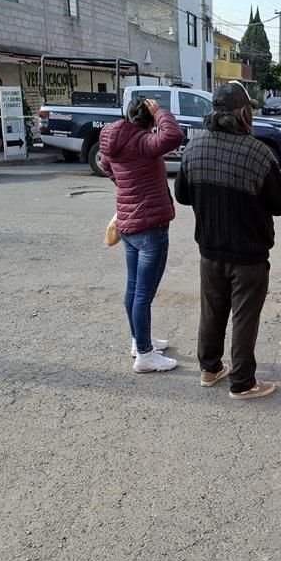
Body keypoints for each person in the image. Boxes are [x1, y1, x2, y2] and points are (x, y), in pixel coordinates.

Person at [175, 82, 281, 400]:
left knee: (212, 311)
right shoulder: (258, 153)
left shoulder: (194, 148)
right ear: (244, 113)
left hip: (210, 252)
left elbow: (182, 195)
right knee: (244, 317)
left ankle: (210, 368)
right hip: (249, 257)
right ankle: (242, 382)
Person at [100, 97, 184, 373]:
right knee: (142, 294)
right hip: (150, 227)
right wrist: (160, 112)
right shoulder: (142, 142)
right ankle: (145, 355)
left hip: (128, 225)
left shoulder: (113, 137)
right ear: (148, 119)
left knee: (134, 287)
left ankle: (139, 341)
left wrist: (124, 186)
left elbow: (106, 165)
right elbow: (173, 136)